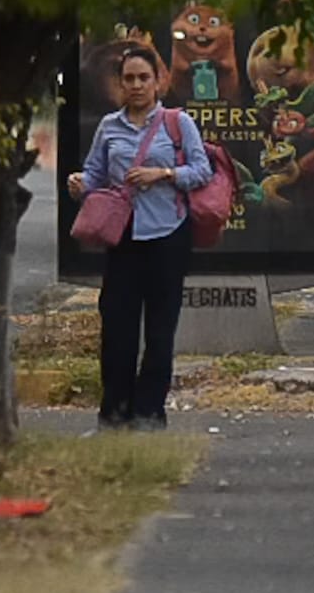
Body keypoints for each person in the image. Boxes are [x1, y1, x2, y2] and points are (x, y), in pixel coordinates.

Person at [68, 45, 212, 431]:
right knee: (117, 324)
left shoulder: (177, 123)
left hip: (167, 235)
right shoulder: (109, 126)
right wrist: (80, 183)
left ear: (158, 81)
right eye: (128, 78)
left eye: (143, 78)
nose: (136, 85)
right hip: (124, 237)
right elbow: (95, 173)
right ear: (120, 83)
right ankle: (114, 409)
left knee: (161, 327)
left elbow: (202, 171)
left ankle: (149, 410)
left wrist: (163, 174)